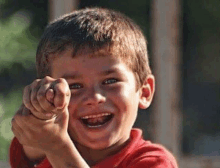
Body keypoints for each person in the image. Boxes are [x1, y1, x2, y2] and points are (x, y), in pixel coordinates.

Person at [10, 7, 178, 168]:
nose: (94, 97)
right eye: (74, 86)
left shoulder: (154, 162)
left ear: (144, 91)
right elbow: (32, 143)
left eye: (110, 81)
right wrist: (40, 112)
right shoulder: (44, 152)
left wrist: (56, 147)